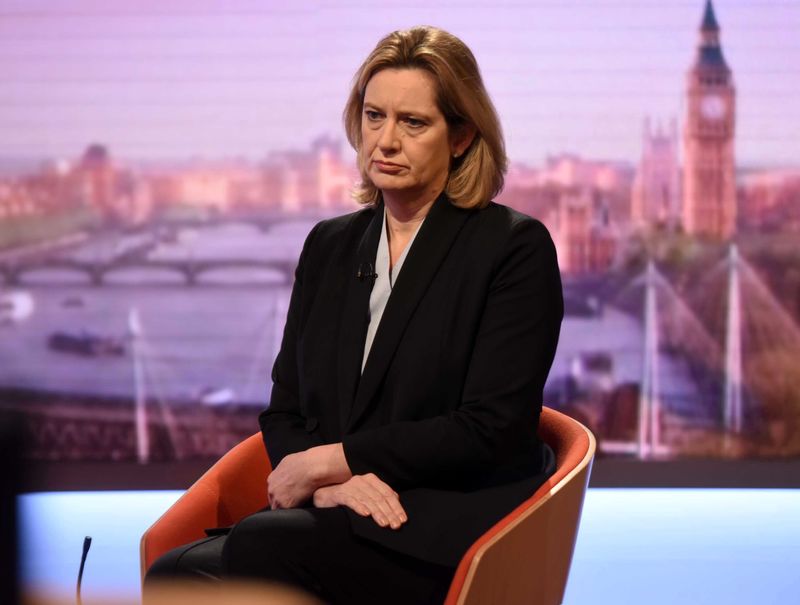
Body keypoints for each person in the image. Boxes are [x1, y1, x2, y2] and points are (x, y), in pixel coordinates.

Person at [145, 25, 563, 604]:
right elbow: (285, 409)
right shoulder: (329, 246)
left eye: (412, 123)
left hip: (450, 520)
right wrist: (327, 485)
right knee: (174, 574)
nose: (384, 141)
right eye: (374, 117)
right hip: (336, 511)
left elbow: (490, 429)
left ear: (462, 136)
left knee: (259, 547)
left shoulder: (512, 248)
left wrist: (333, 462)